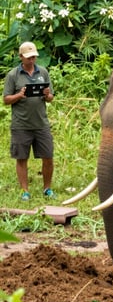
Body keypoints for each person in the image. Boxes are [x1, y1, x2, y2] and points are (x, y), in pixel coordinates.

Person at [3, 42, 55, 201]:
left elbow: (51, 98)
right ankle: (24, 191)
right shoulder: (13, 75)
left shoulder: (43, 72)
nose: (32, 60)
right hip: (21, 125)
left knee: (48, 156)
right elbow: (6, 99)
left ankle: (47, 188)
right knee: (21, 158)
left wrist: (47, 95)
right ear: (20, 57)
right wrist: (19, 95)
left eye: (34, 57)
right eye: (28, 57)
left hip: (41, 124)